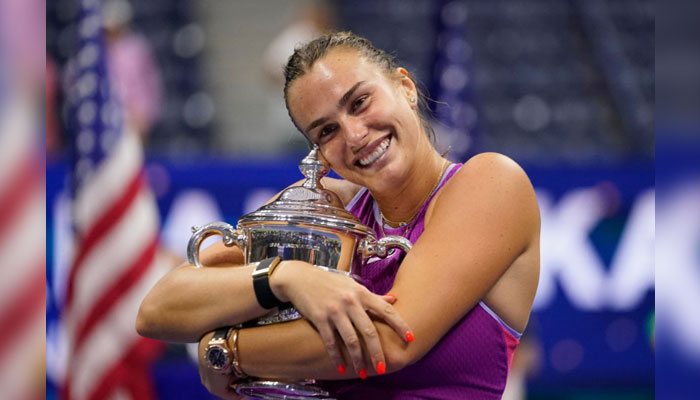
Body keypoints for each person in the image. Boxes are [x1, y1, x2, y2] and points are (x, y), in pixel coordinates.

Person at [137, 32, 540, 399]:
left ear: (406, 87)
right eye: (326, 131)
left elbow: (390, 340)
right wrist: (286, 277)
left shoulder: (491, 183)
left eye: (360, 102)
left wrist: (223, 351)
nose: (354, 135)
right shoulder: (329, 206)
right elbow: (156, 310)